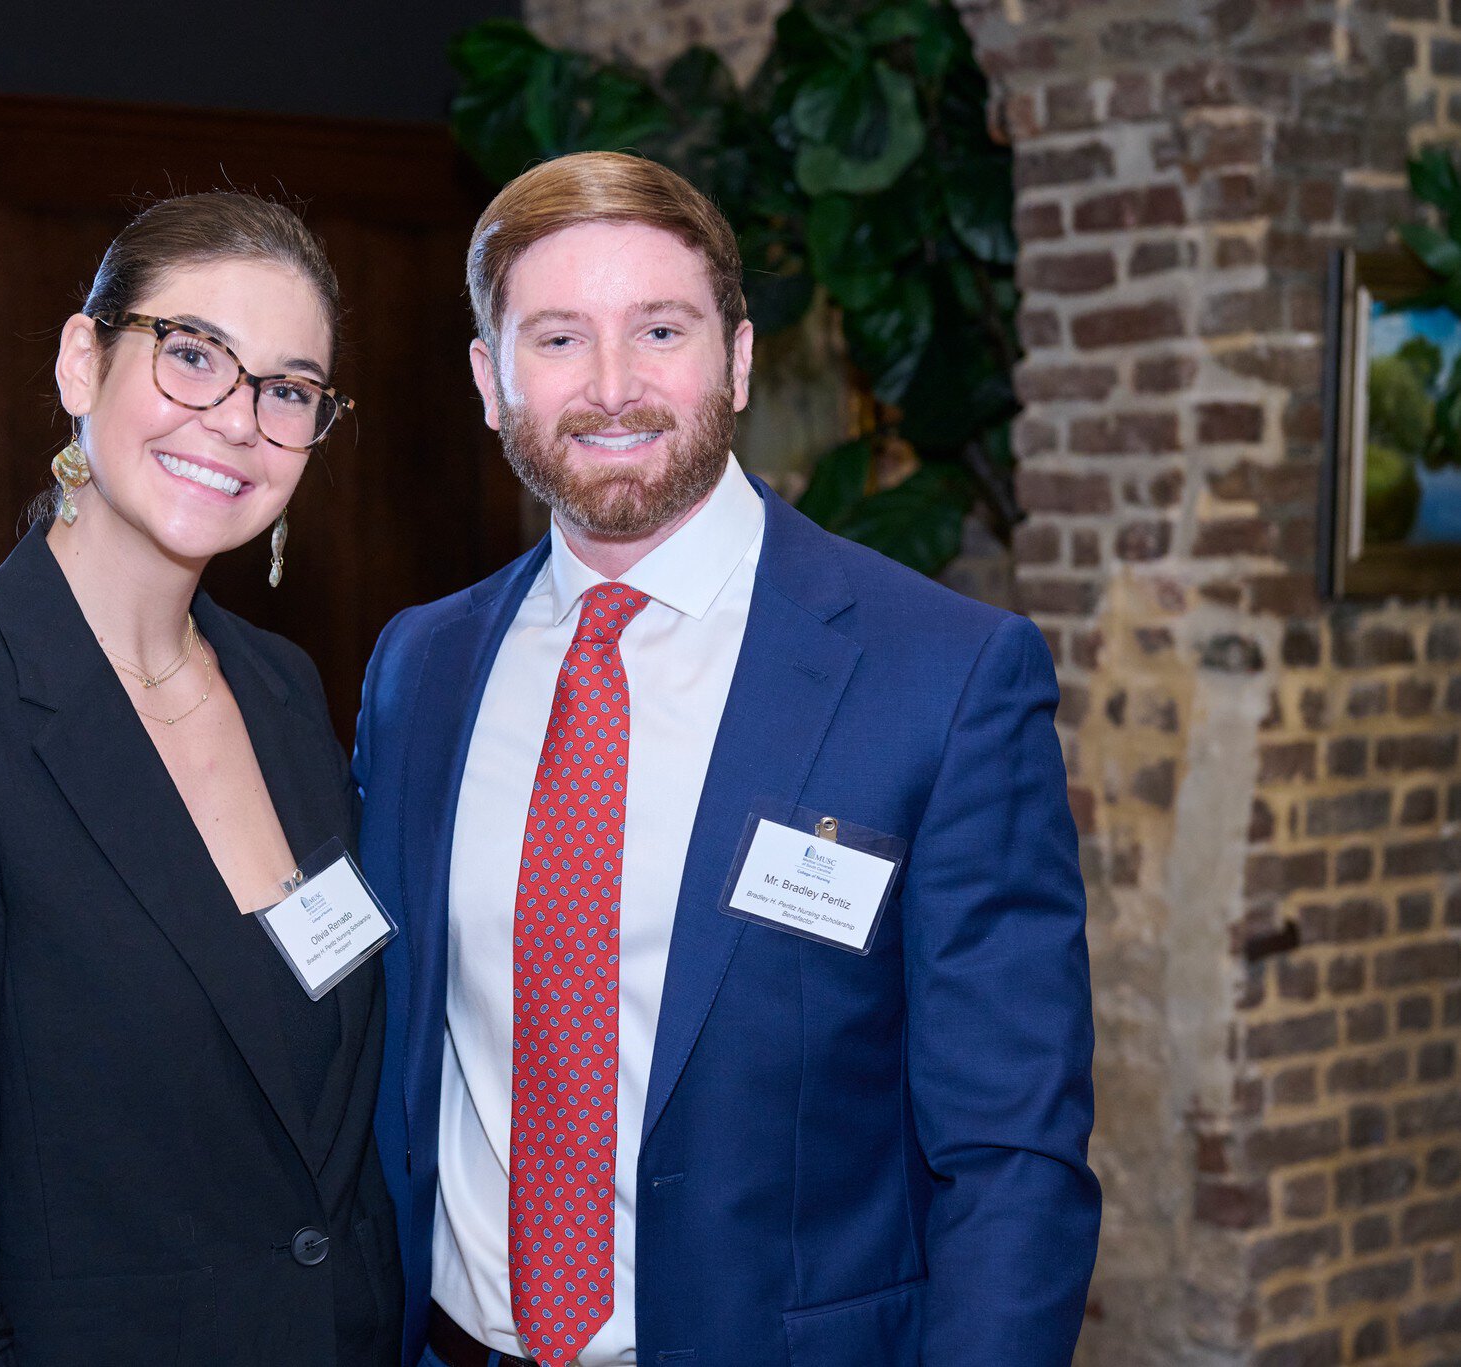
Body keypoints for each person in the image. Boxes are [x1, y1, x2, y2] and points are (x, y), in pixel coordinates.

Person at [353, 152, 1100, 1367]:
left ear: (739, 360)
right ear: (490, 382)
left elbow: (1010, 1153)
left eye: (660, 329)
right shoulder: (419, 669)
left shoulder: (942, 676)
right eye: (555, 339)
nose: (611, 387)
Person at [0, 191, 401, 1366]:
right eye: (192, 357)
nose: (237, 420)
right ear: (84, 359)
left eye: (285, 389)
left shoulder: (281, 690)